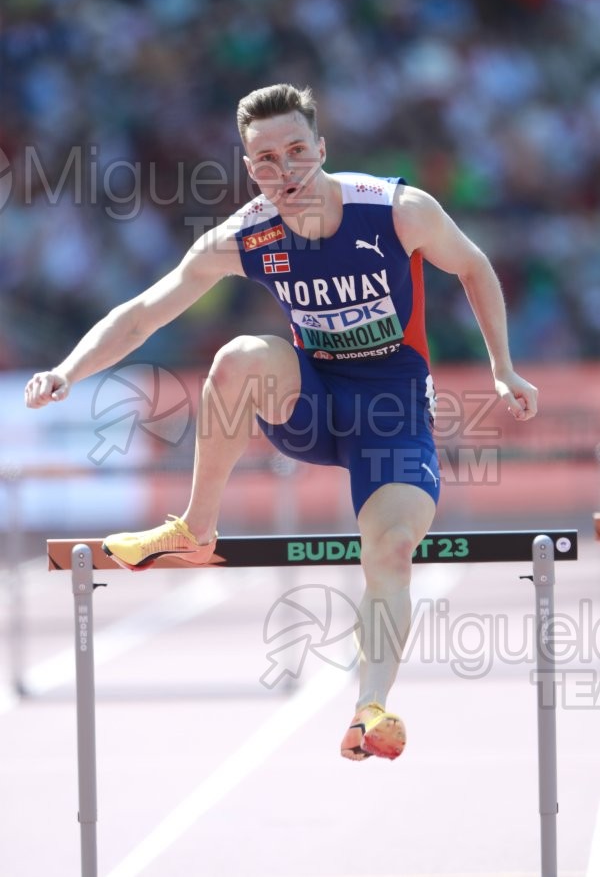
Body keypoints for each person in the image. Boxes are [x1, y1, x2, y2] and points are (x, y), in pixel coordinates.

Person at [25, 83, 538, 762]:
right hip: (314, 404)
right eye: (266, 160)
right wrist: (67, 370)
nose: (285, 170)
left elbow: (473, 266)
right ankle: (194, 530)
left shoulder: (396, 210)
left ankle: (369, 710)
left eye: (297, 151)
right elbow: (147, 311)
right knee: (238, 358)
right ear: (249, 168)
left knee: (388, 552)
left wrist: (503, 366)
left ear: (322, 149)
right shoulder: (248, 234)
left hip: (394, 418)